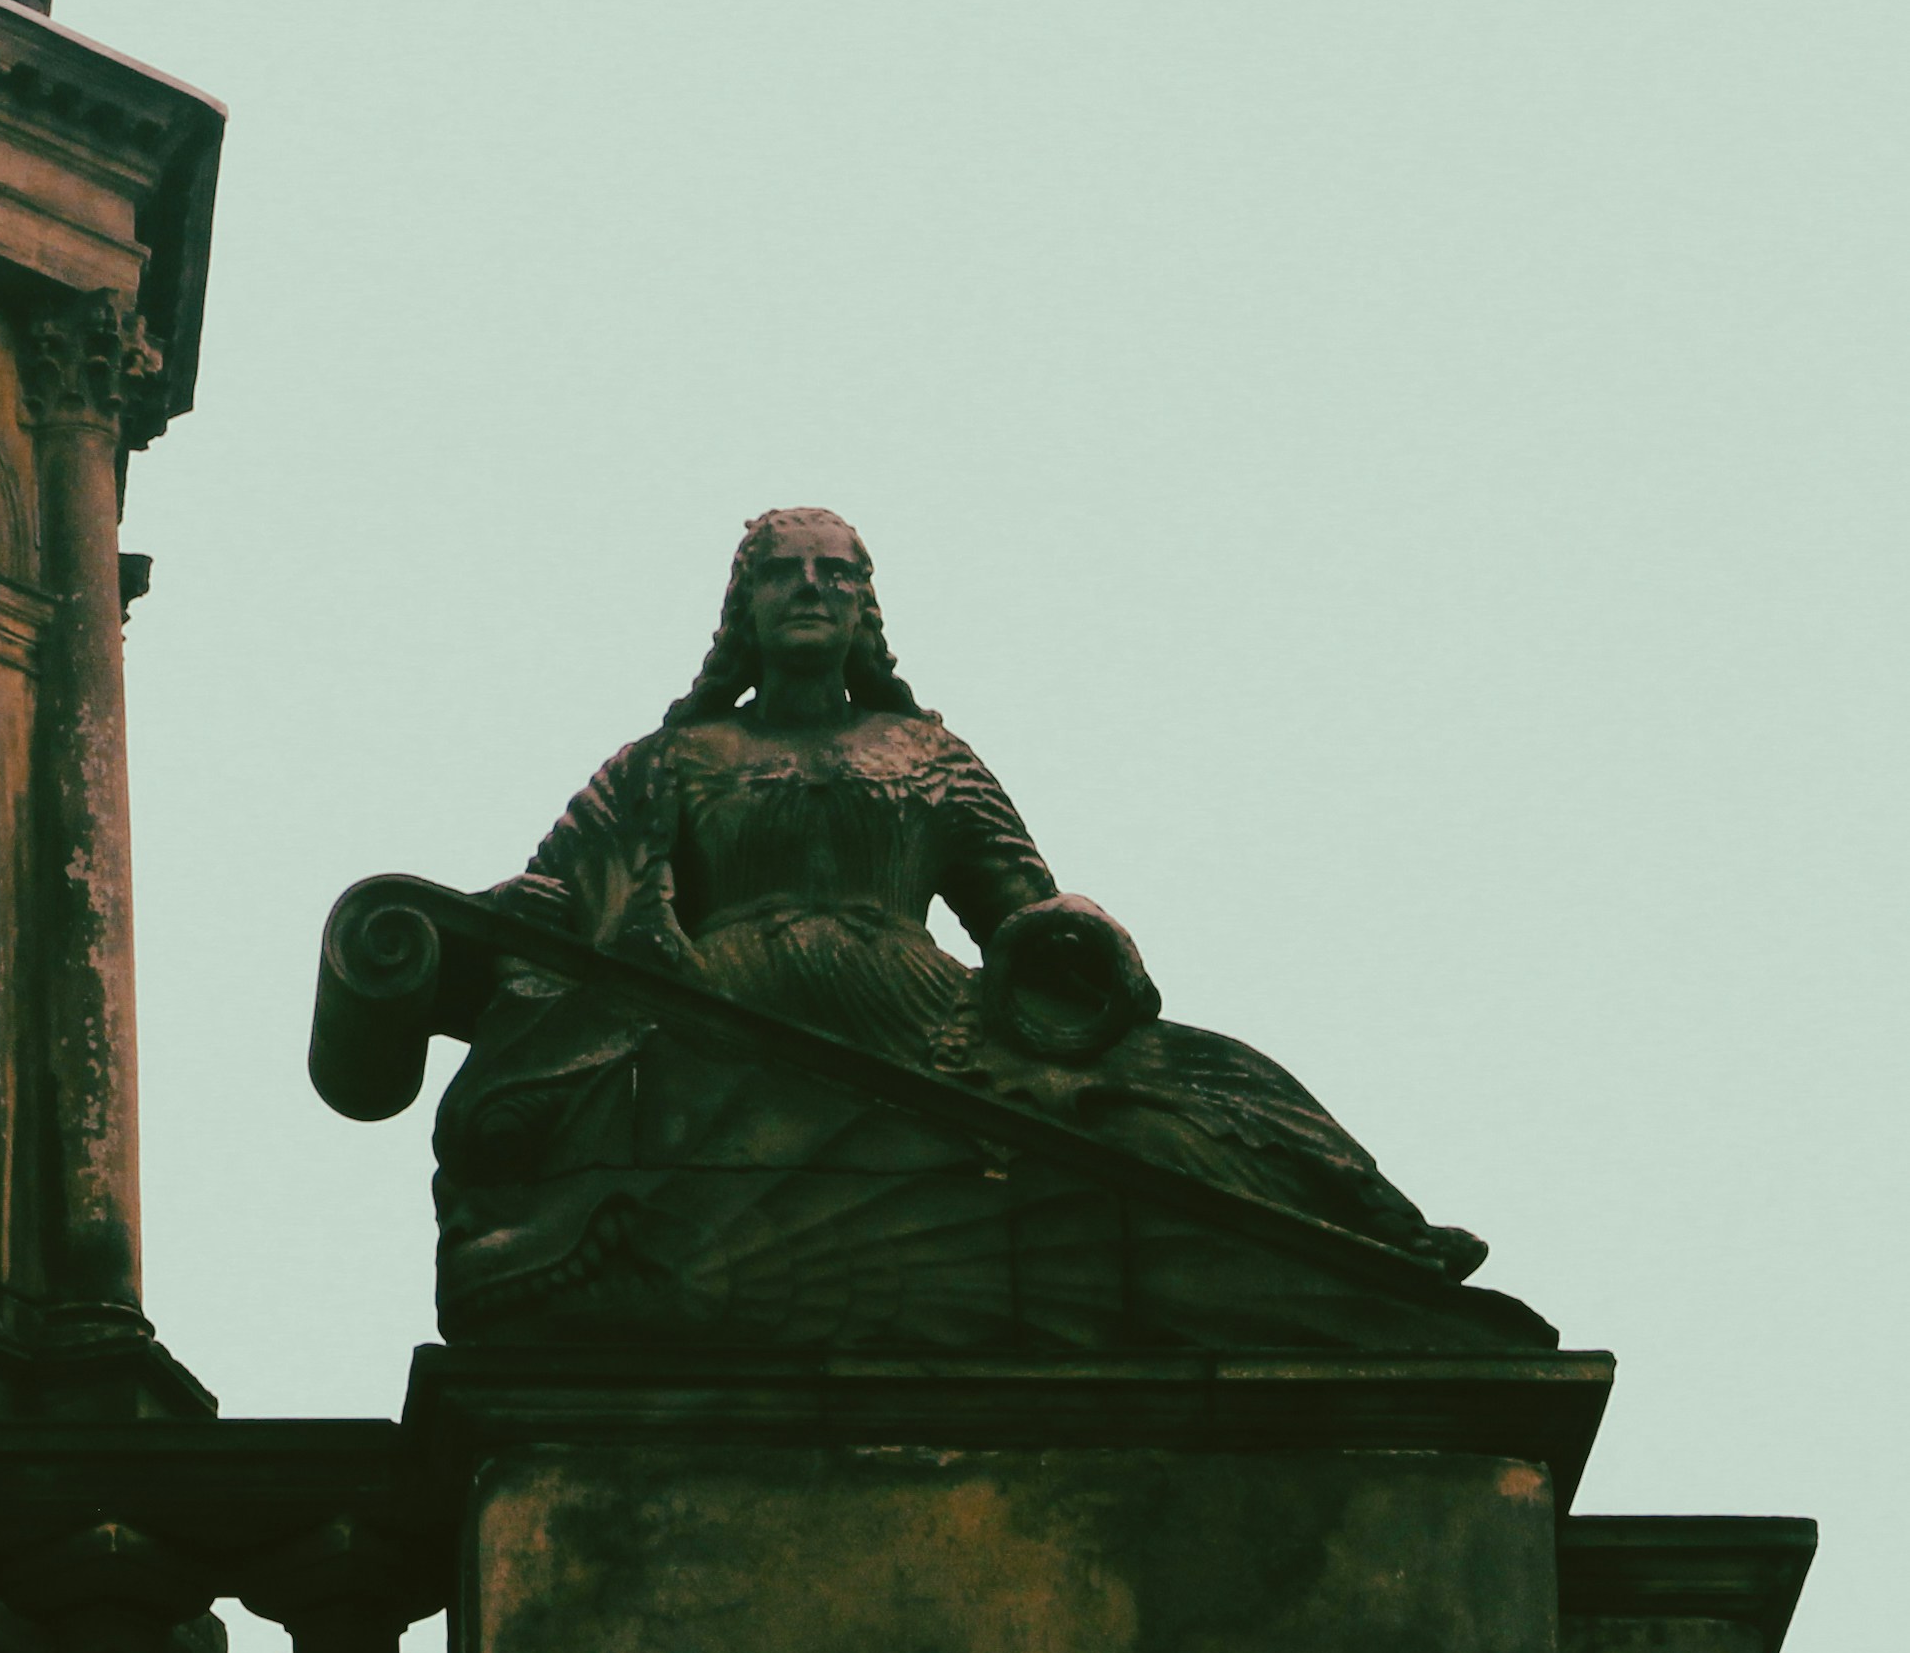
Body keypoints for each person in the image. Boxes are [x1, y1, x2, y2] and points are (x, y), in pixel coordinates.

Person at [430, 508, 1533, 1350]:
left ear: (864, 608)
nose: (810, 587)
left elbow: (1024, 914)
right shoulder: (664, 762)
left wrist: (1076, 929)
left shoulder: (929, 755)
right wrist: (483, 926)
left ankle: (1369, 1240)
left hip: (914, 1012)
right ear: (743, 608)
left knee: (1188, 1092)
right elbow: (553, 907)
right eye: (782, 571)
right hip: (724, 1018)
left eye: (835, 572)